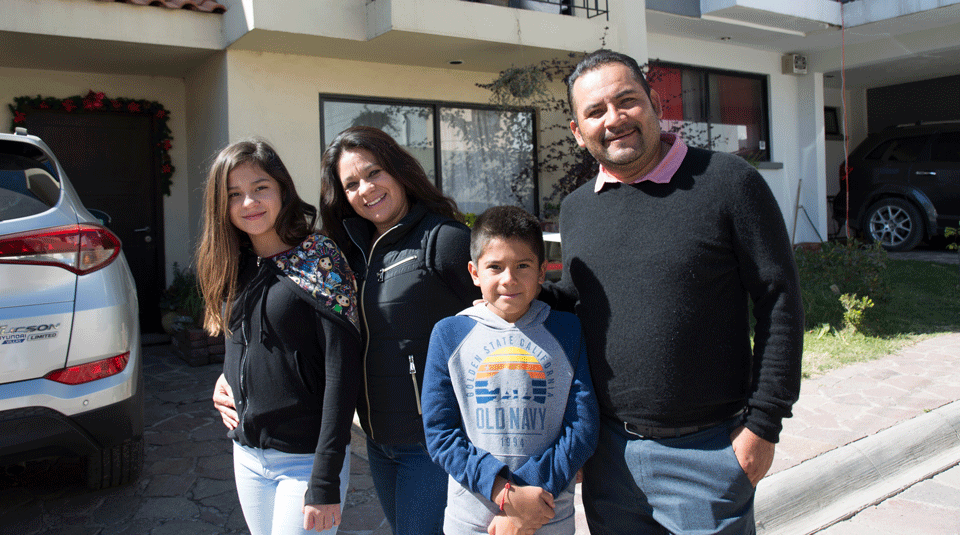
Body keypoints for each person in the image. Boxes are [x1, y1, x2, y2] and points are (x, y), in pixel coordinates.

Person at [541, 49, 804, 534]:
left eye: (626, 101)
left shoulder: (728, 182)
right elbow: (579, 301)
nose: (614, 119)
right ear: (578, 133)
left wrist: (763, 426)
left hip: (708, 452)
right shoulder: (577, 209)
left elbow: (779, 300)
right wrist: (510, 287)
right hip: (609, 458)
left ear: (654, 102)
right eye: (595, 112)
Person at [199, 139, 362, 535]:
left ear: (282, 189)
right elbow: (239, 339)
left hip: (305, 462)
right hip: (248, 455)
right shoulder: (237, 262)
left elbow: (342, 373)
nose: (249, 203)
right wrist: (226, 380)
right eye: (234, 194)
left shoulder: (319, 257)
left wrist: (324, 480)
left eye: (260, 188)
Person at [421, 206, 599, 535]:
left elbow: (581, 429)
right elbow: (440, 435)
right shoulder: (449, 335)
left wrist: (525, 504)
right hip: (473, 520)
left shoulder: (567, 331)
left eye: (522, 266)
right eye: (495, 267)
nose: (509, 279)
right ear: (475, 273)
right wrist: (504, 493)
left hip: (547, 515)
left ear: (542, 271)